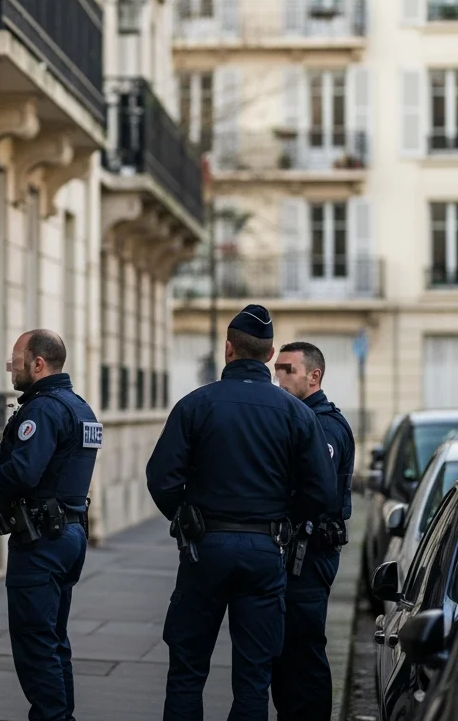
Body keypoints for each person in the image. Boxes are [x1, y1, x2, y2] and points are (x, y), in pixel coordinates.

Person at [146, 305, 336, 721]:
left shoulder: (196, 404)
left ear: (228, 349)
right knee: (253, 677)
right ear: (270, 356)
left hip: (204, 547)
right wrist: (284, 520)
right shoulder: (297, 414)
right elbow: (321, 492)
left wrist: (183, 517)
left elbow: (160, 477)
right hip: (266, 550)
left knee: (186, 671)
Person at [0, 329, 101, 721]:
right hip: (69, 534)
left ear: (38, 363)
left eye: (16, 361)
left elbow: (24, 474)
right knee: (54, 641)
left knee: (35, 644)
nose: (12, 369)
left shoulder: (43, 409)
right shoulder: (80, 407)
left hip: (42, 541)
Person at [271, 341, 355, 721]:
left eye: (288, 370)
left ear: (313, 376)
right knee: (284, 653)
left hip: (310, 551)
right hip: (293, 553)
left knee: (303, 652)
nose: (279, 377)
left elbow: (313, 490)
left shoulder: (324, 425)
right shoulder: (296, 419)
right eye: (277, 369)